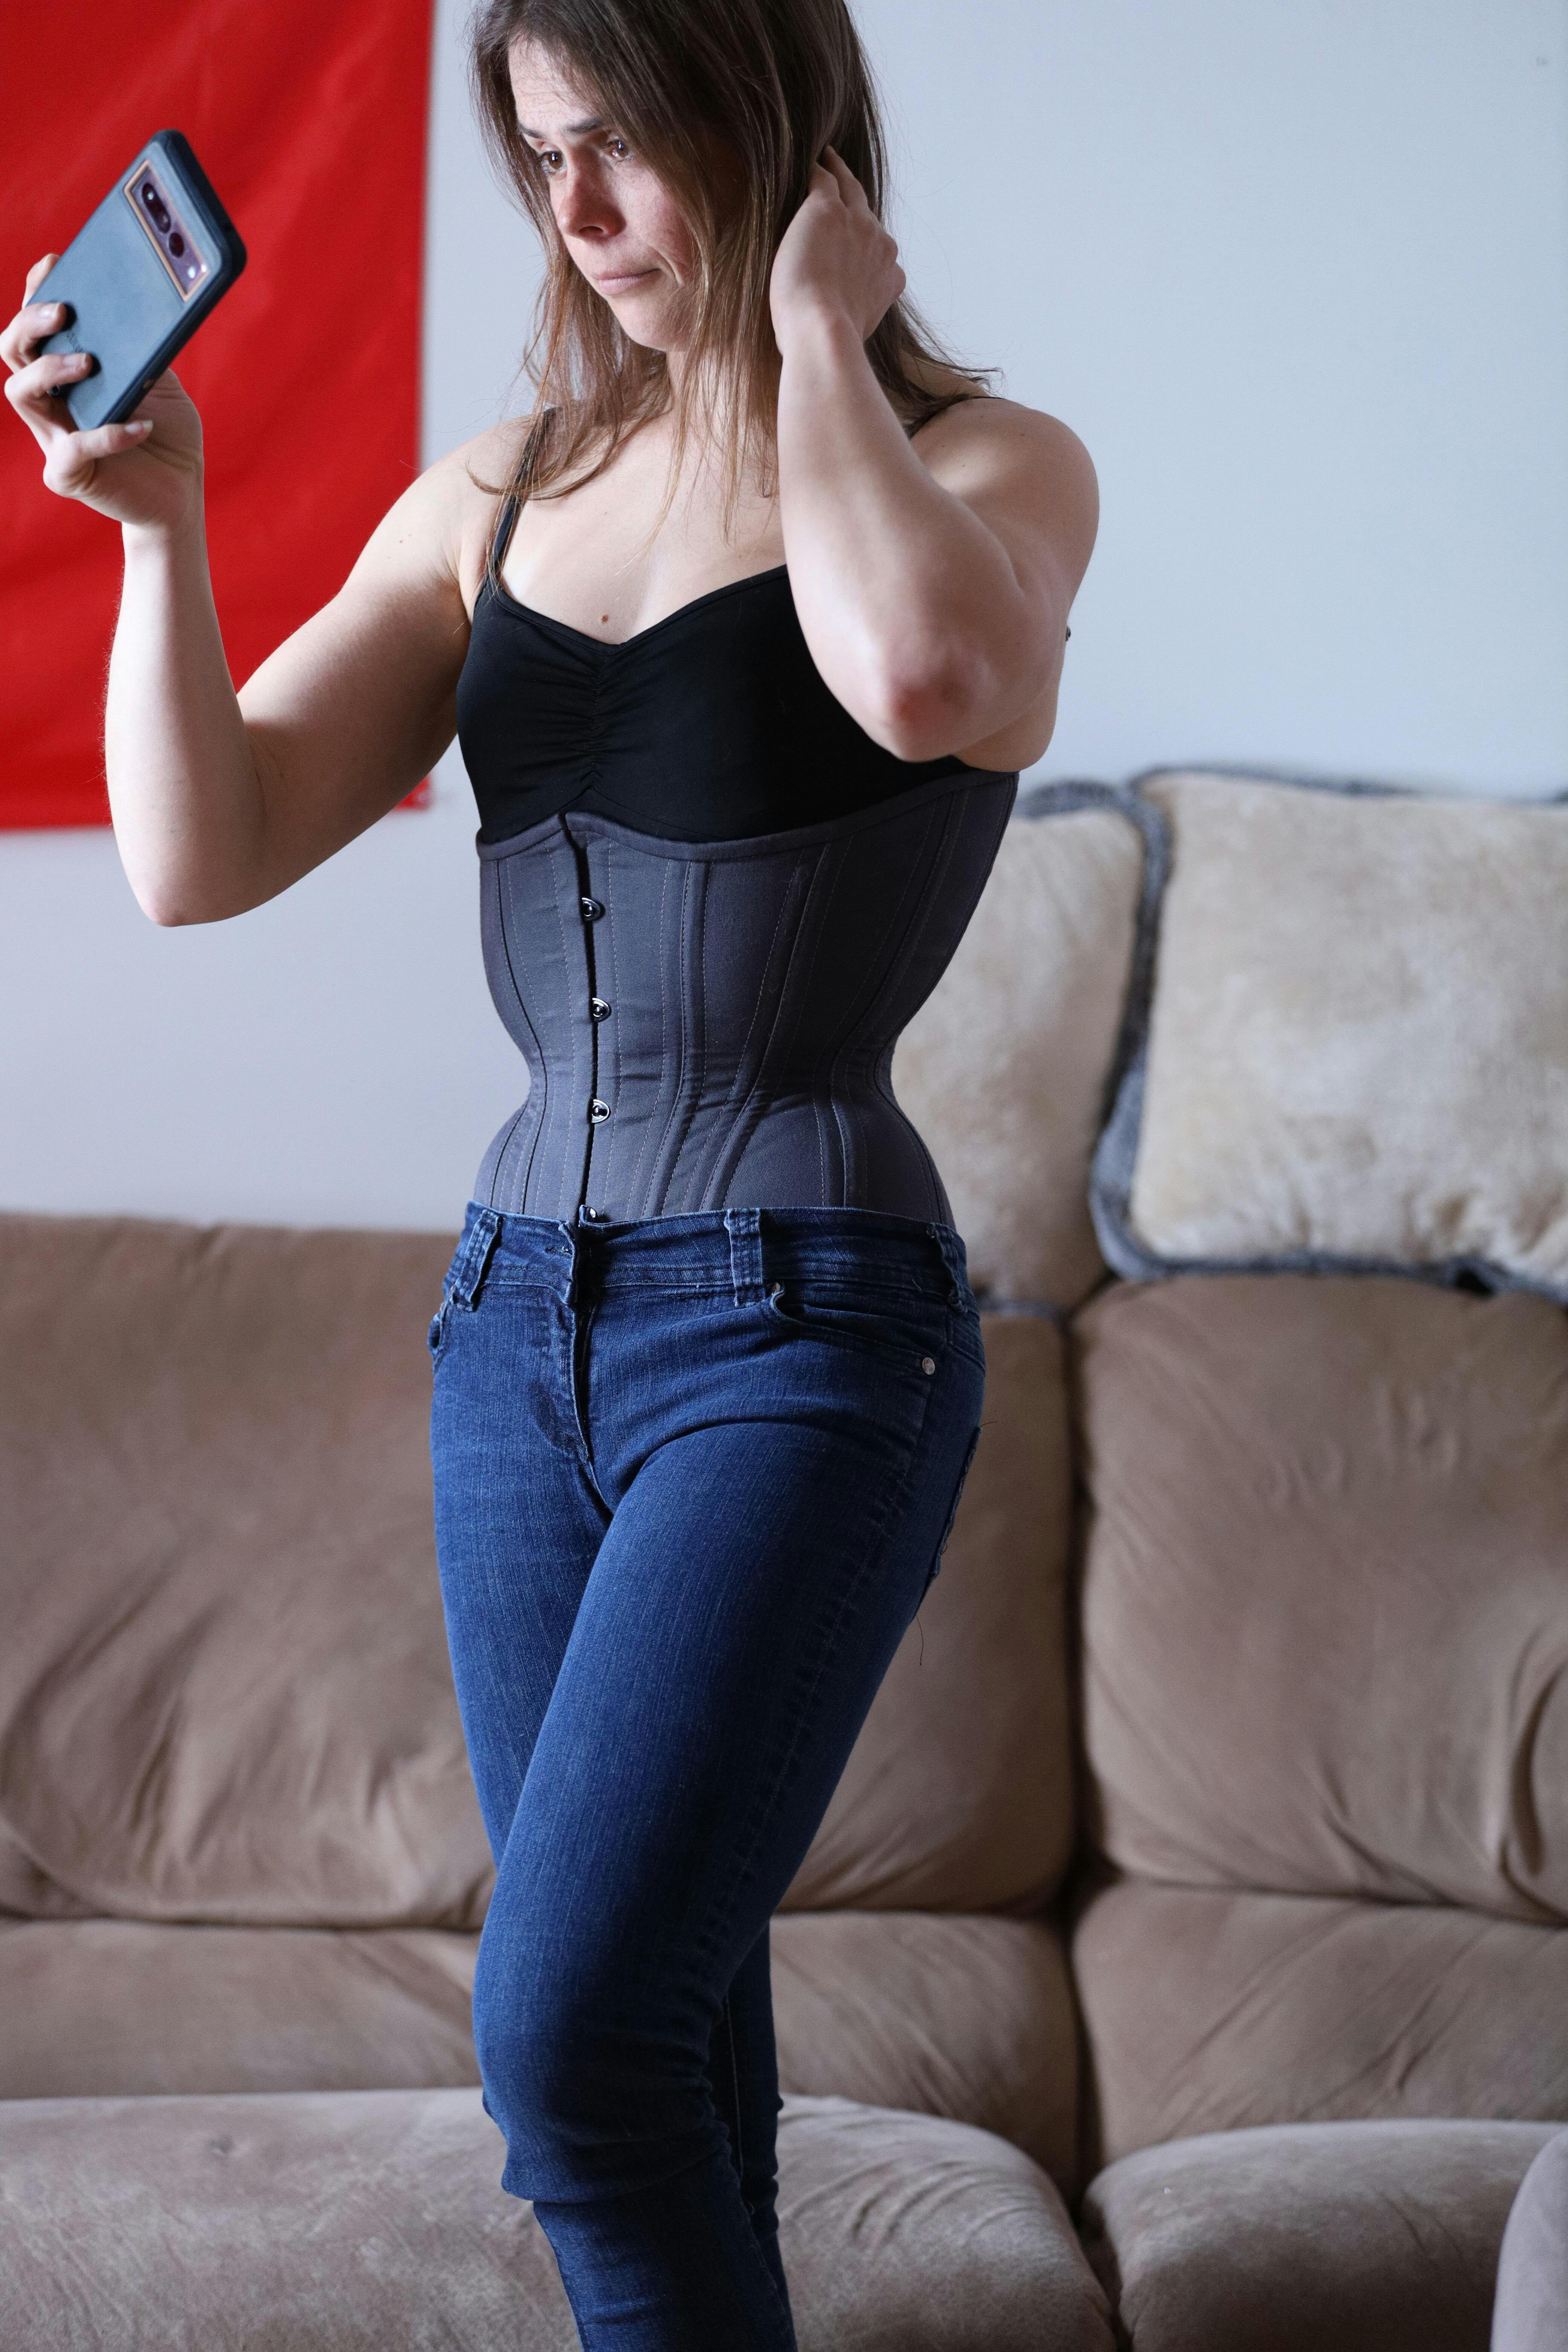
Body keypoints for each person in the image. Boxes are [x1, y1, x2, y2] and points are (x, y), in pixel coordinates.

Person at [3, 0, 1096, 2341]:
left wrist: (817, 338)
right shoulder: (491, 498)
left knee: (573, 2045)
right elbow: (202, 854)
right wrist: (163, 531)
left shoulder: (989, 466)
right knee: (669, 2063)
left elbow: (925, 683)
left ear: (770, 120)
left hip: (805, 1330)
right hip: (514, 1335)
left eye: (625, 146)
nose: (578, 212)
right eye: (543, 155)